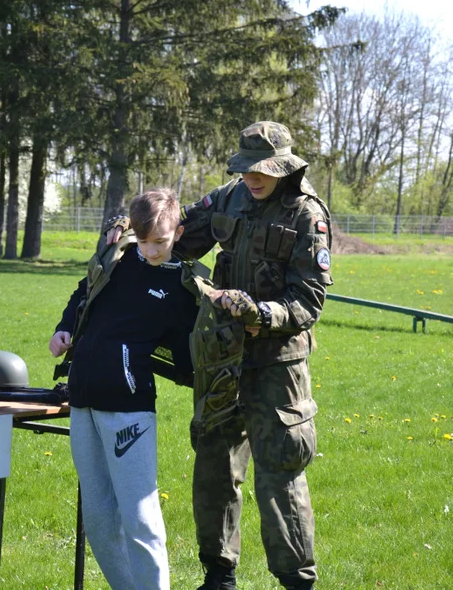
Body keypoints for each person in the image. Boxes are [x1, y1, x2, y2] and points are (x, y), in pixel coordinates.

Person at [107, 122, 333, 590]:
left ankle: (297, 582)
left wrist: (261, 313)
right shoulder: (229, 197)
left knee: (280, 474)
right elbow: (178, 232)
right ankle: (218, 575)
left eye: (261, 170)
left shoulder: (306, 215)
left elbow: (308, 301)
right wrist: (132, 233)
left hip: (278, 365)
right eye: (245, 168)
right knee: (214, 466)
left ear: (284, 167)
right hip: (221, 357)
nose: (251, 177)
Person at [49, 188, 202, 590]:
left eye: (161, 242)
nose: (151, 251)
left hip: (129, 409)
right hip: (81, 400)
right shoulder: (116, 261)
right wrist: (64, 327)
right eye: (144, 240)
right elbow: (83, 293)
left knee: (139, 517)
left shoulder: (184, 287)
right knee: (97, 519)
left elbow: (193, 356)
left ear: (178, 232)